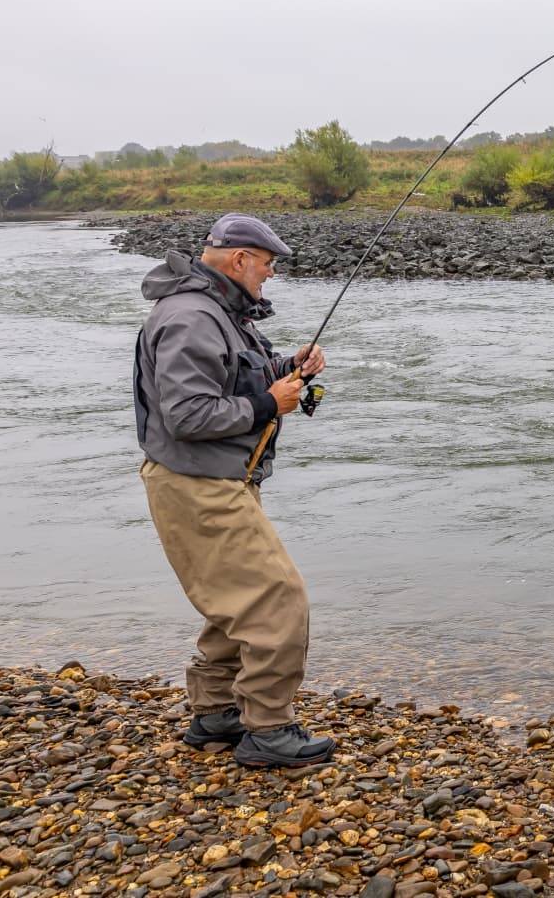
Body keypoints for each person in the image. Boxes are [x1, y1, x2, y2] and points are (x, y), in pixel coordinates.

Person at [133, 212, 335, 768]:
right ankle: (268, 729)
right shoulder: (193, 317)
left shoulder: (214, 311)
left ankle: (217, 712)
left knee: (233, 599)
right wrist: (273, 403)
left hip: (217, 478)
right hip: (199, 483)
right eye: (267, 265)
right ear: (241, 259)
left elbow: (230, 378)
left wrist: (288, 367)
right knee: (277, 598)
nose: (269, 276)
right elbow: (189, 414)